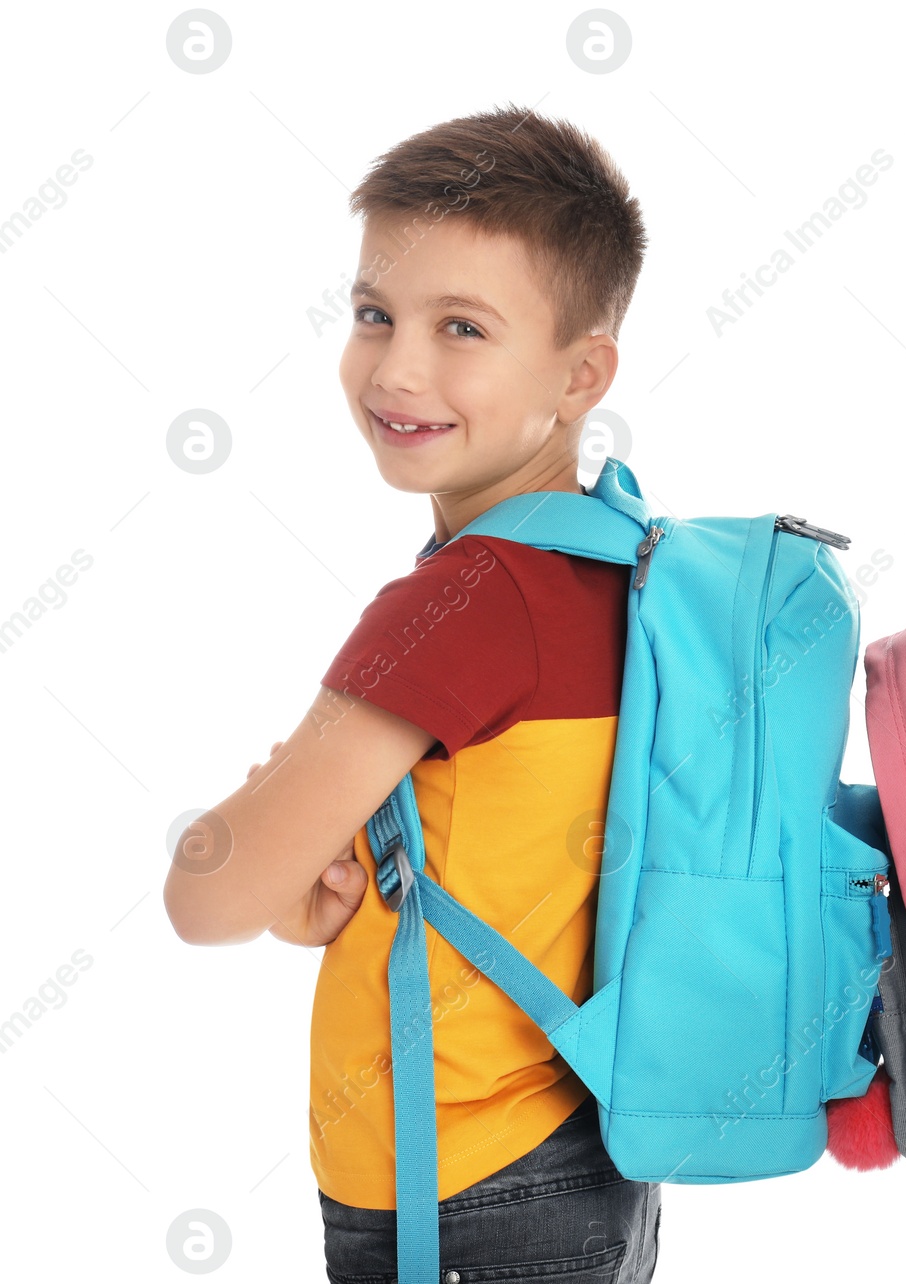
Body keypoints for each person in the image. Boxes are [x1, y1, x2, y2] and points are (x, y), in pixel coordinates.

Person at [162, 105, 661, 1282]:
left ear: (583, 372)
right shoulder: (616, 558)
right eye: (374, 314)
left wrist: (232, 839)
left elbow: (210, 900)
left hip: (459, 1191)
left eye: (462, 328)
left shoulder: (460, 602)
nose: (396, 367)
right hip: (582, 1161)